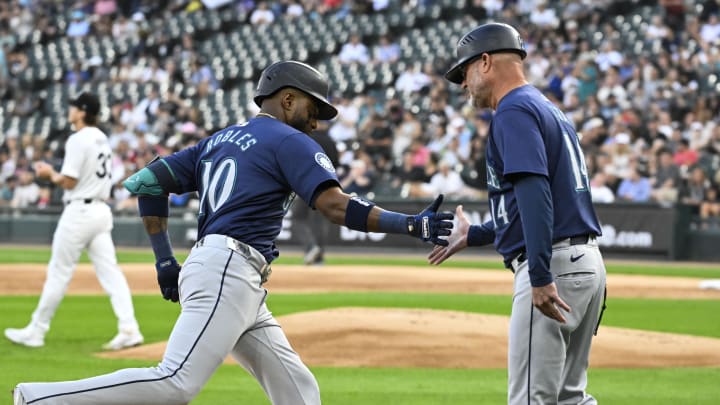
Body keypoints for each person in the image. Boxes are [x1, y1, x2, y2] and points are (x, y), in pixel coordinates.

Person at [11, 60, 453, 405]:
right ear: (286, 100)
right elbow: (334, 205)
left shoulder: (219, 139)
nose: (316, 122)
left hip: (235, 276)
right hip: (229, 267)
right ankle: (37, 398)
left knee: (299, 391)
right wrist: (411, 223)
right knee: (175, 383)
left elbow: (146, 183)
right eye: (312, 108)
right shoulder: (291, 140)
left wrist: (165, 261)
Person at [431, 23, 607, 405]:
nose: (463, 84)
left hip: (553, 265)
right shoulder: (547, 108)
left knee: (531, 400)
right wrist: (476, 234)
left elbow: (535, 194)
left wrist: (541, 274)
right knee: (569, 399)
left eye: (464, 73)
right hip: (585, 263)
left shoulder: (512, 112)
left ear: (486, 62)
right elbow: (541, 204)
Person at [5, 92, 143, 351]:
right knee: (111, 273)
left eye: (73, 106)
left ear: (81, 111)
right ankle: (129, 327)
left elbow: (68, 181)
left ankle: (36, 330)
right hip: (101, 211)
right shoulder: (101, 137)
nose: (70, 110)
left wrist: (49, 174)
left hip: (80, 211)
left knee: (59, 273)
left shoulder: (79, 139)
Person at [291, 123, 340, 265]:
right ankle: (319, 257)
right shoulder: (331, 141)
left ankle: (311, 247)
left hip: (307, 185)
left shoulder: (306, 138)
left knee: (298, 218)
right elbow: (336, 164)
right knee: (320, 222)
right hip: (327, 186)